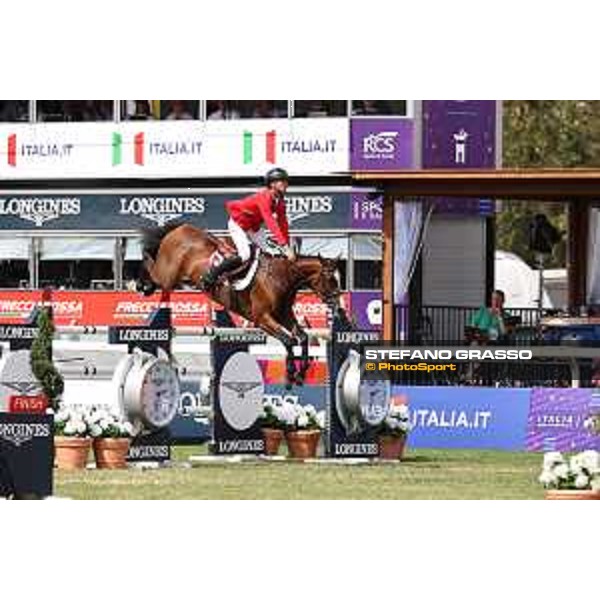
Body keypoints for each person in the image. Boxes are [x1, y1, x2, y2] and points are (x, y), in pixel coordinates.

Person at [201, 168, 295, 290]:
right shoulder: (264, 197)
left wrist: (287, 245)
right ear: (272, 184)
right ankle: (211, 275)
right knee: (245, 254)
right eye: (282, 181)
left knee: (272, 252)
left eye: (286, 181)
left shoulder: (280, 202)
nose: (286, 184)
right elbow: (271, 222)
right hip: (238, 224)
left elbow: (283, 224)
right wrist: (285, 247)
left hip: (253, 227)